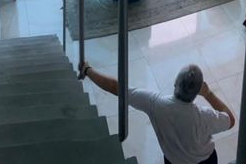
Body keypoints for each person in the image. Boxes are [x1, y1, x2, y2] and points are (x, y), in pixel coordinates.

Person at [81, 61, 235, 164]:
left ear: (175, 84)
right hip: (206, 161)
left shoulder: (155, 104)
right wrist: (208, 94)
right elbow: (230, 120)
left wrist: (87, 70)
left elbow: (115, 87)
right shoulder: (205, 117)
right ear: (197, 92)